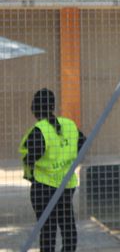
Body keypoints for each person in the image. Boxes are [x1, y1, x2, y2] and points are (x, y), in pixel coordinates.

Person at [19, 88, 86, 252]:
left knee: (47, 230)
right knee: (67, 225)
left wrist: (30, 175)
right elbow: (83, 142)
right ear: (52, 105)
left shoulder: (38, 130)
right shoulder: (69, 125)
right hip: (66, 185)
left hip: (44, 186)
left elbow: (30, 158)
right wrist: (69, 162)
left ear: (34, 108)